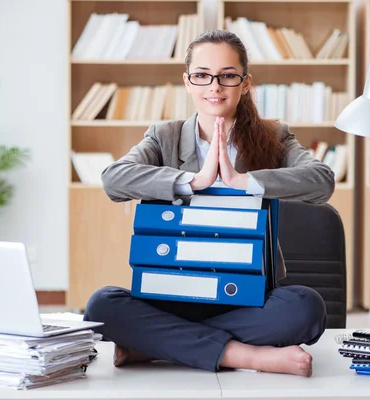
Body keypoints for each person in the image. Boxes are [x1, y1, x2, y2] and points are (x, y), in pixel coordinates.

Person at [83, 29, 336, 378]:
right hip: (171, 297)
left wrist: (243, 182)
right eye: (202, 76)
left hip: (245, 298)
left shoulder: (275, 137)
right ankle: (246, 355)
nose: (214, 87)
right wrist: (192, 181)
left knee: (307, 309)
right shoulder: (164, 136)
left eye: (227, 76)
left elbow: (322, 181)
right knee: (101, 306)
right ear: (188, 82)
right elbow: (114, 179)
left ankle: (156, 344)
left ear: (244, 83)